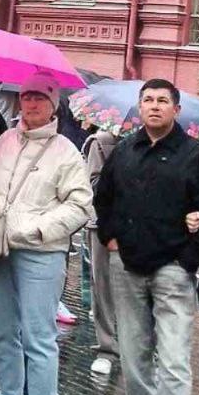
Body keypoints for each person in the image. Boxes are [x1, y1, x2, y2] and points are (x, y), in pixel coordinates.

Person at [93, 78, 199, 395]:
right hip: (128, 264)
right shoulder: (125, 151)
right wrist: (110, 239)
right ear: (140, 107)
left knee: (173, 358)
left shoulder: (196, 155)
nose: (154, 106)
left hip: (172, 269)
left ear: (176, 110)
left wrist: (190, 259)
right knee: (134, 352)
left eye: (162, 100)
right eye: (148, 100)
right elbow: (103, 198)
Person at [0, 72, 92, 395]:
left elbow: (80, 205)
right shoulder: (5, 140)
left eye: (40, 98)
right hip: (0, 247)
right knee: (2, 329)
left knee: (39, 335)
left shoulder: (65, 151)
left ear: (53, 105)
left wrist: (38, 230)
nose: (32, 104)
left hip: (41, 253)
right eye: (27, 97)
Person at [81, 123, 122, 377]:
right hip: (104, 225)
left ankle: (141, 348)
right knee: (103, 287)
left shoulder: (161, 145)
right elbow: (93, 183)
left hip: (144, 226)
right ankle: (106, 349)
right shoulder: (102, 142)